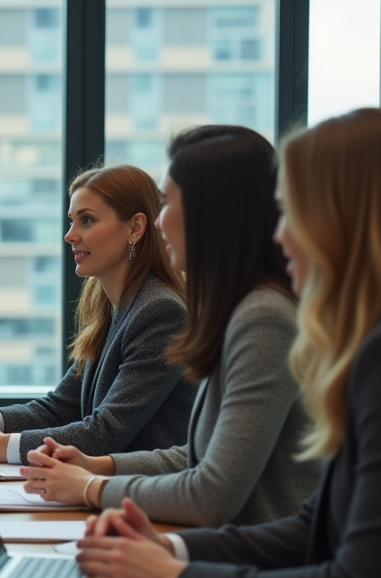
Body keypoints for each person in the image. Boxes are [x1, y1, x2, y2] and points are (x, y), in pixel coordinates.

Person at [74, 108, 381, 578]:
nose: (280, 233)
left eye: (293, 212)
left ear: (347, 219)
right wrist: (171, 549)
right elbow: (316, 527)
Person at [21, 127, 321, 526]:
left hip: (261, 557)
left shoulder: (263, 316)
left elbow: (211, 494)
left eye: (167, 203)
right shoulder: (237, 308)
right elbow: (197, 455)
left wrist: (90, 486)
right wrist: (101, 465)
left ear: (211, 211)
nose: (160, 223)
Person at [0, 164, 193, 466]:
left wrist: (2, 447)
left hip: (141, 502)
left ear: (135, 228)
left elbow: (105, 433)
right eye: (72, 221)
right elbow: (62, 406)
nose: (69, 235)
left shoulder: (161, 312)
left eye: (87, 220)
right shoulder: (109, 305)